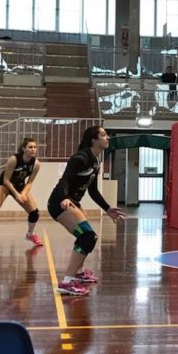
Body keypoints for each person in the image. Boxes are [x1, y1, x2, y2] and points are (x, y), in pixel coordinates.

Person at [48, 125, 126, 296]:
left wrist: (107, 208)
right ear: (94, 140)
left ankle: (78, 273)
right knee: (88, 236)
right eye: (103, 135)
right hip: (60, 202)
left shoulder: (95, 161)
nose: (108, 138)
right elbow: (64, 181)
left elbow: (93, 190)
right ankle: (67, 282)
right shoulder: (80, 158)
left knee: (86, 237)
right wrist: (65, 198)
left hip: (73, 202)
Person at [0, 138, 43, 247]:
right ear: (24, 149)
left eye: (35, 147)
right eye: (30, 147)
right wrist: (16, 194)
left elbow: (30, 182)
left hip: (20, 186)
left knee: (35, 212)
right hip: (5, 184)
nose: (33, 149)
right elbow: (6, 180)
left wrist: (23, 193)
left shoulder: (36, 164)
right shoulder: (14, 159)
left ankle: (30, 234)